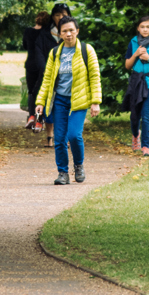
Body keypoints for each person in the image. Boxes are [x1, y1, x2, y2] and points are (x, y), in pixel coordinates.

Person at [34, 16, 102, 185]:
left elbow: (94, 77)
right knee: (59, 139)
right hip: (60, 101)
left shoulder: (87, 50)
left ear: (77, 31)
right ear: (59, 34)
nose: (68, 33)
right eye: (64, 31)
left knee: (74, 135)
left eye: (71, 30)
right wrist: (40, 102)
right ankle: (62, 173)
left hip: (79, 101)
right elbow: (47, 79)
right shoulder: (55, 53)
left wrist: (95, 102)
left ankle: (78, 165)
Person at [121, 15, 149, 156]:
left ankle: (146, 146)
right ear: (138, 28)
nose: (145, 29)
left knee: (146, 114)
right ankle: (136, 136)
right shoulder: (133, 42)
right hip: (136, 82)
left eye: (148, 27)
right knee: (134, 116)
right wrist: (135, 54)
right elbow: (127, 65)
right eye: (142, 27)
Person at [39, 3, 71, 146]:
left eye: (63, 15)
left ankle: (66, 137)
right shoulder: (46, 33)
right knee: (49, 105)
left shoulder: (71, 32)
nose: (60, 17)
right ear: (53, 17)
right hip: (49, 73)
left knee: (68, 106)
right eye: (57, 15)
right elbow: (38, 52)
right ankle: (49, 136)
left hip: (68, 75)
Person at [22, 11, 54, 130]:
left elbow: (25, 46)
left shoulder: (28, 31)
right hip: (43, 65)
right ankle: (39, 121)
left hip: (30, 64)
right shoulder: (46, 33)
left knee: (31, 91)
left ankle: (31, 116)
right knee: (41, 92)